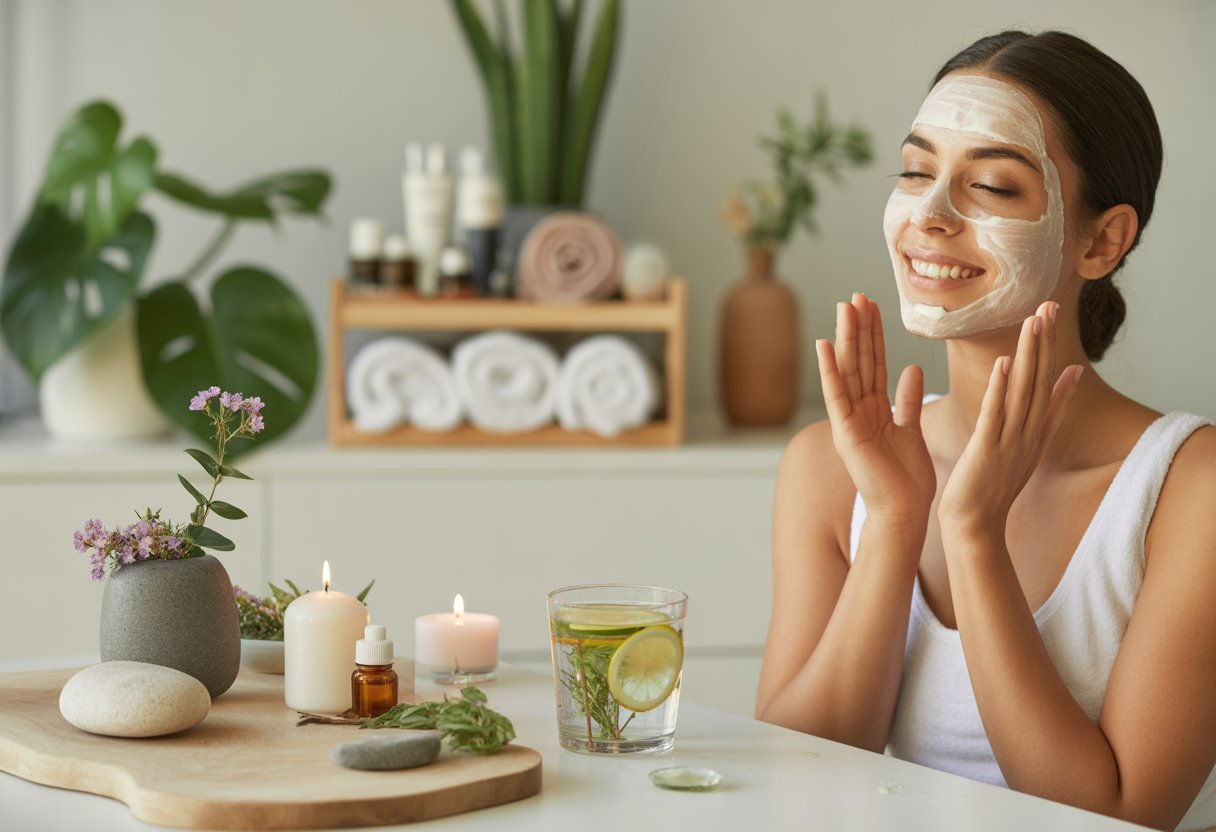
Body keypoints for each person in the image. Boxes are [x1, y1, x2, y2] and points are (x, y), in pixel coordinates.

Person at [755, 30, 1216, 832]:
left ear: (1101, 240)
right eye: (916, 170)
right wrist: (898, 522)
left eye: (995, 187)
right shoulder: (830, 468)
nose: (929, 216)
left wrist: (972, 532)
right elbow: (798, 780)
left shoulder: (1190, 491)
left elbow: (1122, 814)